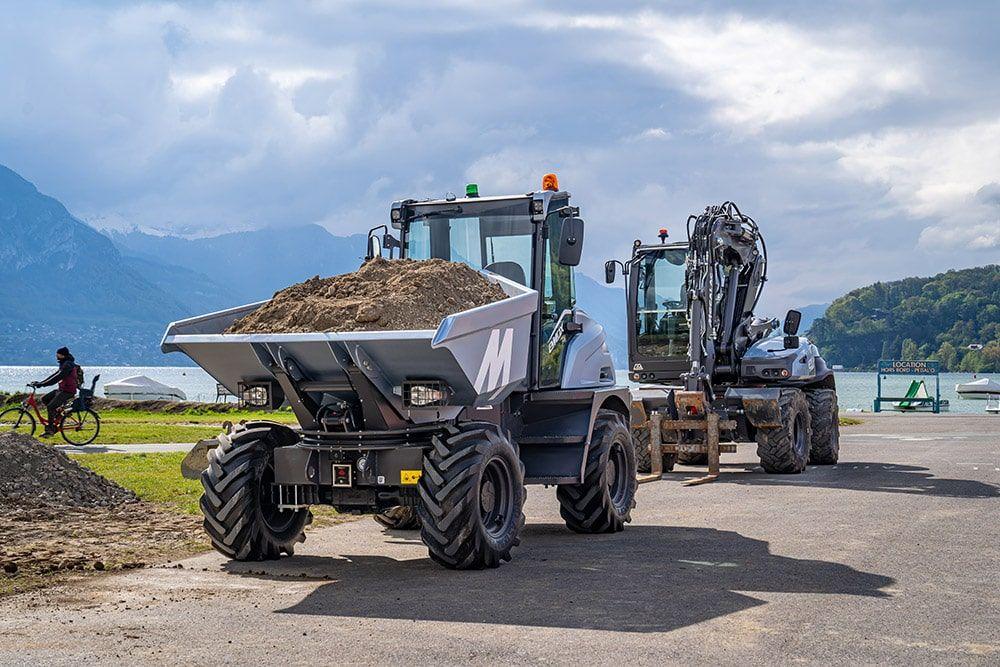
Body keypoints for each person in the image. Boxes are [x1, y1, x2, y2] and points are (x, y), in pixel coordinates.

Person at [30, 347, 79, 437]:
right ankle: (58, 416)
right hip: (62, 389)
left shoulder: (68, 365)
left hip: (68, 391)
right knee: (45, 399)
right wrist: (41, 382)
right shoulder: (64, 363)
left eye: (58, 354)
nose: (56, 356)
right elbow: (54, 375)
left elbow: (58, 377)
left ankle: (50, 430)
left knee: (51, 407)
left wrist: (43, 384)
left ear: (63, 355)